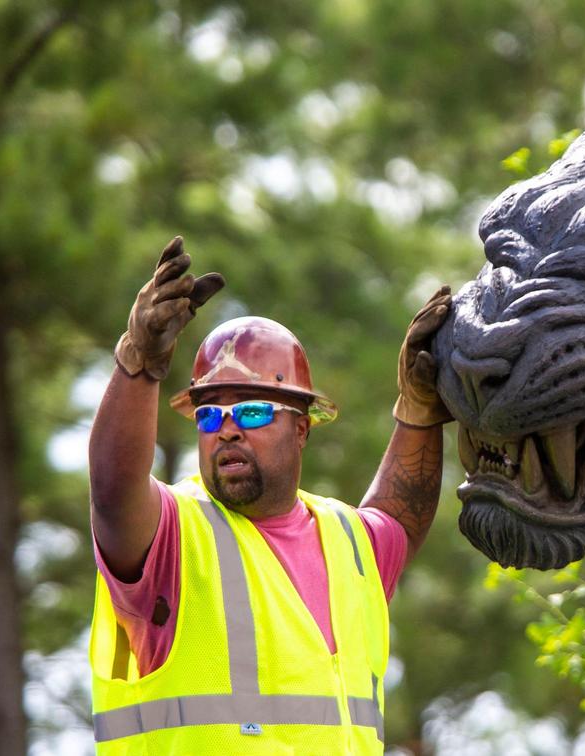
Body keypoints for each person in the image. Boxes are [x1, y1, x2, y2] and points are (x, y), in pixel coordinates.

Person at [87, 236, 452, 754]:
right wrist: (139, 365)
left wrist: (419, 412)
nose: (227, 428)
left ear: (301, 430)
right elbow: (111, 489)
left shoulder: (350, 543)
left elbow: (400, 513)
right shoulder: (173, 533)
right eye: (210, 414)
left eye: (253, 411)